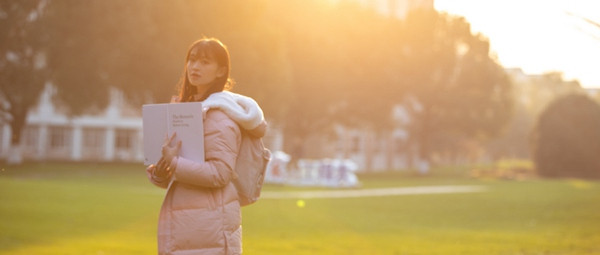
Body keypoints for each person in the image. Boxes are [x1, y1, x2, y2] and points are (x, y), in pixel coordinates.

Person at [145, 37, 267, 255]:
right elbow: (186, 169)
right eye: (191, 60)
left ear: (221, 71)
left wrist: (175, 161)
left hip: (208, 227)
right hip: (192, 225)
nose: (195, 67)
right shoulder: (190, 111)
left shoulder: (219, 116)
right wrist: (162, 170)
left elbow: (220, 173)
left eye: (204, 62)